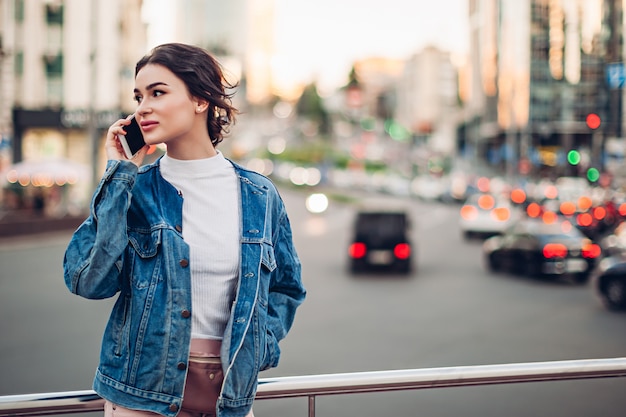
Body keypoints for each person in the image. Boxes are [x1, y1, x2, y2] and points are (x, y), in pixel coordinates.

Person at [63, 43, 306, 417]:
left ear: (200, 100)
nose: (142, 107)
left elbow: (287, 288)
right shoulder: (135, 190)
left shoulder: (260, 196)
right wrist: (118, 174)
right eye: (138, 96)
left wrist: (260, 347)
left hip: (229, 397)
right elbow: (88, 281)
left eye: (158, 92)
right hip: (140, 396)